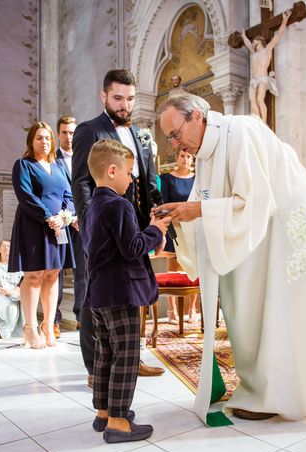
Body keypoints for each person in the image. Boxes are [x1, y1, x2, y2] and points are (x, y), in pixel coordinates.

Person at [157, 92, 306, 424]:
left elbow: (257, 201)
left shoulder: (240, 132)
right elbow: (203, 199)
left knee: (278, 311)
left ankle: (278, 393)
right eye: (169, 138)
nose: (175, 145)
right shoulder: (205, 152)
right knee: (245, 306)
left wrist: (197, 211)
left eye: (175, 134)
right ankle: (261, 386)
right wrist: (179, 217)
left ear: (197, 118)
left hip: (282, 234)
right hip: (254, 237)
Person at [72, 68, 164, 382]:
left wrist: (159, 224)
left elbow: (150, 183)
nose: (124, 105)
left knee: (132, 289)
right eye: (118, 98)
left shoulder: (140, 134)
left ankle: (130, 360)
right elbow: (82, 182)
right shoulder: (89, 130)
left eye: (129, 99)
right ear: (104, 96)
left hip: (135, 222)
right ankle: (94, 369)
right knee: (92, 294)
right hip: (101, 224)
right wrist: (88, 225)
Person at [81, 139, 170, 443]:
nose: (132, 179)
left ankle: (104, 411)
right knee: (127, 356)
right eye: (130, 172)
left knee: (105, 354)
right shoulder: (119, 204)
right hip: (122, 293)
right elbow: (131, 248)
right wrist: (155, 230)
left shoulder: (92, 205)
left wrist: (147, 231)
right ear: (112, 170)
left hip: (99, 294)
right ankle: (119, 421)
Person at [8, 121, 76, 349]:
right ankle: (29, 327)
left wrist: (65, 216)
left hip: (58, 226)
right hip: (34, 225)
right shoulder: (23, 165)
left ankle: (48, 324)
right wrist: (49, 216)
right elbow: (26, 196)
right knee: (34, 275)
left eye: (47, 138)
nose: (44, 142)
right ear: (31, 141)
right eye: (39, 138)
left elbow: (69, 195)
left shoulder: (58, 165)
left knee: (53, 274)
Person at [159, 150, 198, 323]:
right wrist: (173, 221)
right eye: (182, 156)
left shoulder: (198, 178)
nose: (185, 159)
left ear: (192, 159)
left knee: (193, 267)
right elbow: (164, 203)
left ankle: (192, 309)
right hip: (174, 226)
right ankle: (172, 310)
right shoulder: (168, 178)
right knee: (173, 267)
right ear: (176, 158)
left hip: (193, 227)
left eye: (188, 156)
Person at [53, 115, 79, 339]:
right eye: (65, 132)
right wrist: (65, 215)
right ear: (58, 134)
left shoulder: (84, 157)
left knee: (83, 270)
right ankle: (55, 320)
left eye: (72, 132)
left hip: (81, 223)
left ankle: (82, 316)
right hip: (61, 221)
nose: (69, 137)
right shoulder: (52, 159)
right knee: (57, 271)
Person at [240, 9, 291, 123]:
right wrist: (243, 36)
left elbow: (278, 35)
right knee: (252, 100)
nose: (253, 44)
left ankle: (263, 122)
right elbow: (248, 44)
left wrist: (285, 20)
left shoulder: (267, 50)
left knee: (259, 100)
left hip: (262, 79)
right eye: (252, 42)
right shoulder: (254, 54)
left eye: (255, 42)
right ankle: (258, 121)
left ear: (260, 41)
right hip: (253, 80)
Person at [0, 240, 24, 339]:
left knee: (26, 305)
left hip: (17, 293)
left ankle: (22, 335)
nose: (6, 248)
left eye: (8, 246)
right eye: (3, 246)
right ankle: (6, 335)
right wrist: (1, 290)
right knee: (11, 309)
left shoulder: (18, 264)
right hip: (1, 294)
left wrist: (15, 290)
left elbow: (23, 279)